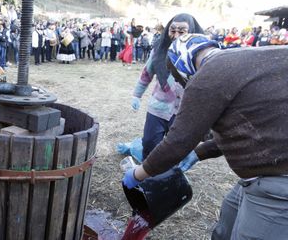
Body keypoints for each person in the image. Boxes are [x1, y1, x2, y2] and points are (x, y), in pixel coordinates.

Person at [123, 33, 288, 239]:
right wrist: (198, 153)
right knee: (228, 218)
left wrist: (138, 174)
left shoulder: (206, 76)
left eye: (178, 78)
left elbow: (177, 141)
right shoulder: (240, 58)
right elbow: (246, 128)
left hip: (277, 181)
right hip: (259, 174)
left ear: (181, 67)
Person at [130, 13, 205, 160]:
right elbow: (147, 73)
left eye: (182, 31)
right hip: (158, 107)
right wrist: (136, 95)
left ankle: (170, 177)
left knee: (176, 149)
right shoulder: (159, 50)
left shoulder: (201, 54)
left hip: (185, 111)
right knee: (150, 143)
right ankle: (148, 178)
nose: (176, 35)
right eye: (172, 30)